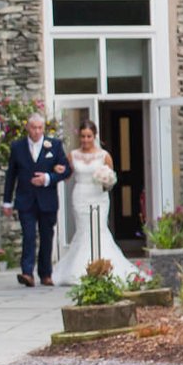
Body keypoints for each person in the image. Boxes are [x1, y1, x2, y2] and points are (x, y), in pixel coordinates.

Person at [52, 120, 137, 285]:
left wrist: (106, 179)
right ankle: (80, 268)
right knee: (84, 230)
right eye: (83, 136)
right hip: (80, 195)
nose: (85, 140)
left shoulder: (104, 155)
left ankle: (104, 266)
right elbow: (67, 175)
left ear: (94, 136)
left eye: (88, 136)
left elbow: (111, 179)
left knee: (99, 230)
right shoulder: (73, 155)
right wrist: (58, 170)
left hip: (99, 196)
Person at [1, 113, 68, 287]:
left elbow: (66, 170)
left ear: (43, 128)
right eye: (33, 127)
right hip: (25, 199)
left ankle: (45, 273)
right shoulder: (18, 147)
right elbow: (11, 175)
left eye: (40, 128)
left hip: (47, 200)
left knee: (47, 236)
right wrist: (7, 201)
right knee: (28, 235)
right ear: (27, 128)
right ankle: (27, 272)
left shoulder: (54, 145)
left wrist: (47, 178)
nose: (37, 131)